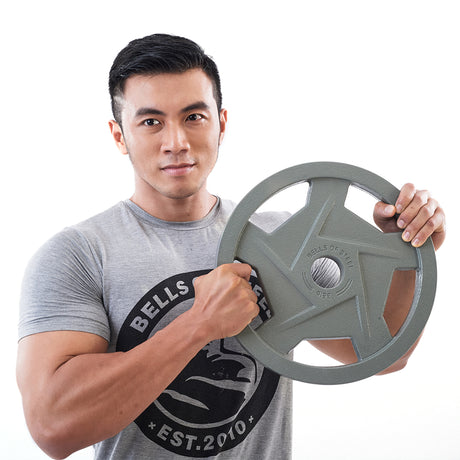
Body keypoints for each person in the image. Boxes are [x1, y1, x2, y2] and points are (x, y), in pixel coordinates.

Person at [16, 34, 446, 460]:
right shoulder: (78, 255)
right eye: (151, 122)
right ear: (118, 135)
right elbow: (53, 427)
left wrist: (405, 252)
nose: (176, 142)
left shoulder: (281, 240)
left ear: (221, 123)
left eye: (193, 117)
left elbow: (384, 354)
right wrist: (198, 325)